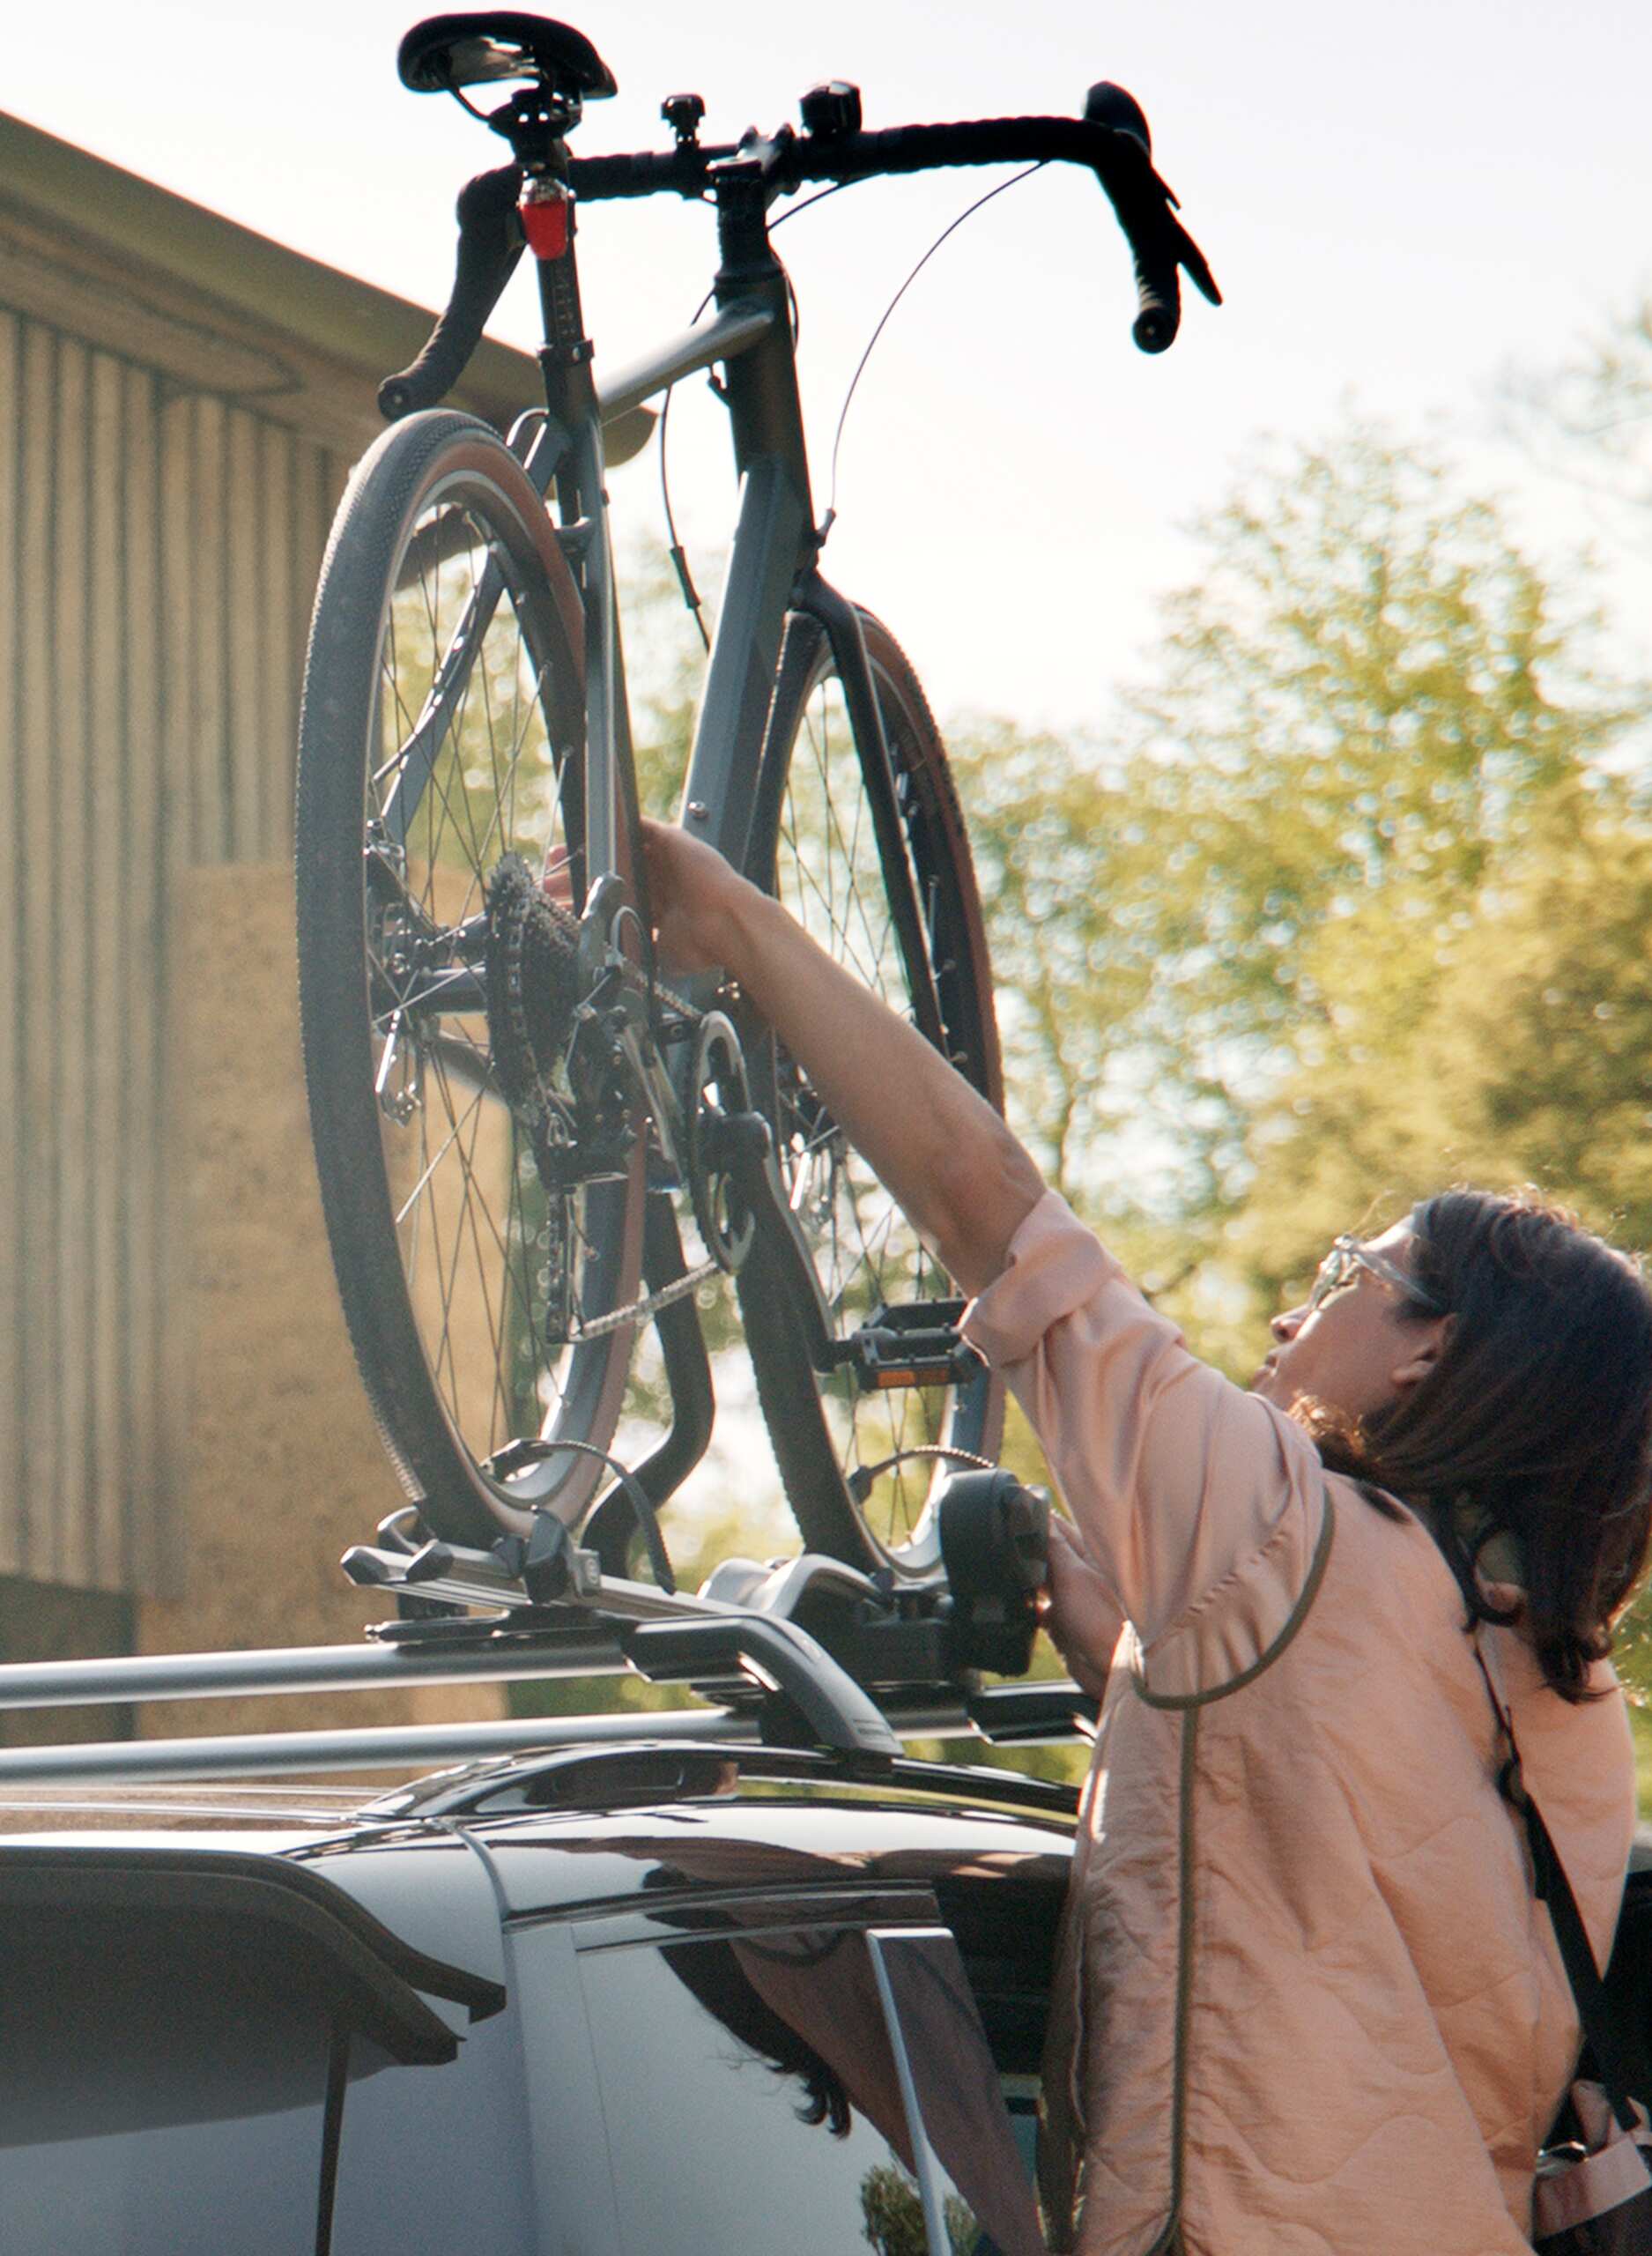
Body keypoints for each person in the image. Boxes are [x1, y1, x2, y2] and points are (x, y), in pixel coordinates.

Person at [639, 814, 1652, 2256]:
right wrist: (1110, 1636)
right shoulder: (1569, 1692)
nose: (1297, 1315)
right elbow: (1317, 1849)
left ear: (1431, 1357)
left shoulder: (1276, 1526)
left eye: (1349, 1274)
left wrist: (734, 919)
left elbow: (987, 1207)